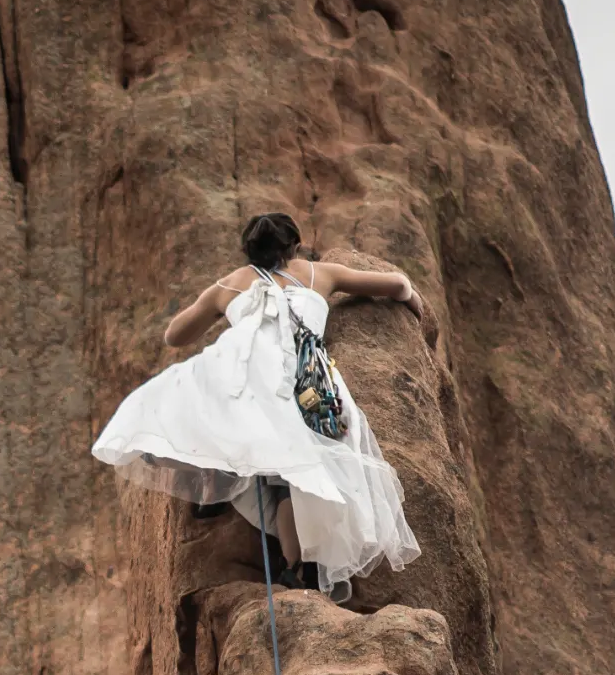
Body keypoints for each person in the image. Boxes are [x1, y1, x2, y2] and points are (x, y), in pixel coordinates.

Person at [90, 213, 423, 602]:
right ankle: (297, 567)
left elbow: (174, 335)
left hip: (240, 372)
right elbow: (398, 284)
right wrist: (413, 301)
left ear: (248, 252)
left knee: (202, 412)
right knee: (291, 472)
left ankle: (212, 476)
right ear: (294, 245)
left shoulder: (230, 284)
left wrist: (218, 300)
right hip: (298, 379)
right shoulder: (318, 273)